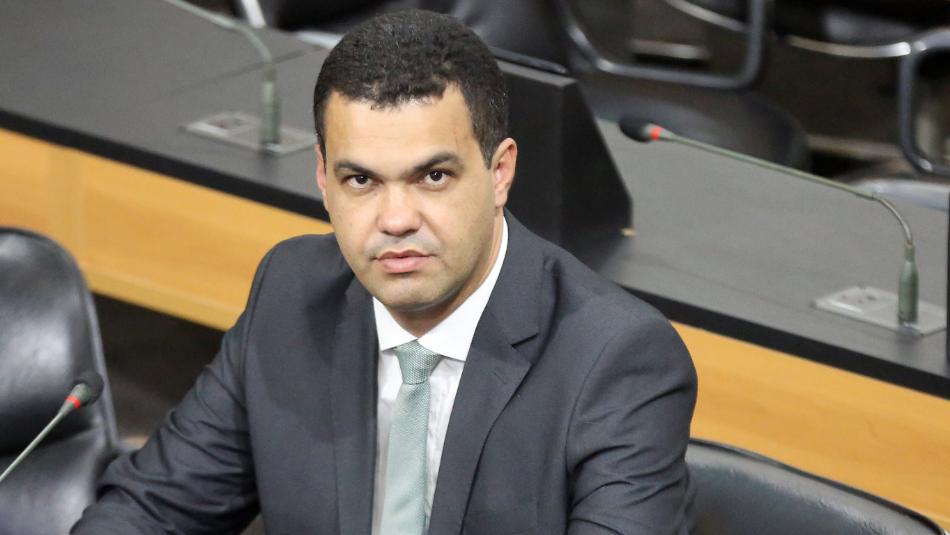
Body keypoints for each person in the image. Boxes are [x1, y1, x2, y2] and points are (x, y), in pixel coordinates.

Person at [73, 9, 696, 535]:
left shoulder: (613, 359)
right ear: (323, 179)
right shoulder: (291, 294)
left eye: (433, 176)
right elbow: (150, 509)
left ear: (500, 172)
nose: (396, 219)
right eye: (361, 180)